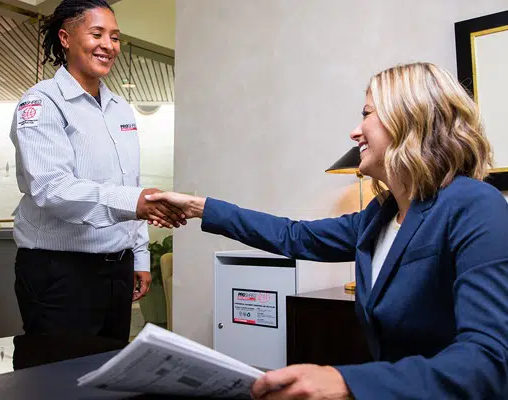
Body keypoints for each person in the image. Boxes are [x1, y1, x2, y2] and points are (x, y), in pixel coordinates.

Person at [146, 63, 508, 399]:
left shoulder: (474, 204)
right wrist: (200, 208)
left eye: (367, 114)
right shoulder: (379, 216)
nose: (355, 131)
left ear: (410, 118)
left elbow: (488, 359)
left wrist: (347, 382)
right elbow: (293, 235)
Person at [9, 0, 185, 342]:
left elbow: (128, 183)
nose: (109, 45)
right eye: (97, 34)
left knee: (107, 375)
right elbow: (52, 188)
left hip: (116, 269)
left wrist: (139, 257)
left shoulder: (120, 108)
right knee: (56, 378)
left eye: (115, 37)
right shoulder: (42, 101)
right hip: (59, 271)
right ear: (66, 38)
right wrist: (135, 201)